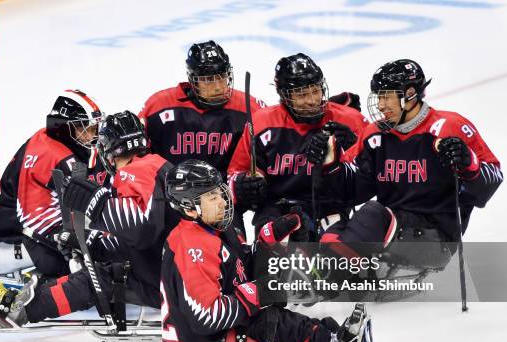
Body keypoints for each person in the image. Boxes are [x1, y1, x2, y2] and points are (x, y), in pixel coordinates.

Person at [159, 159, 368, 342]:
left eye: (220, 192)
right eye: (212, 198)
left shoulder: (212, 228)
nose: (223, 202)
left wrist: (270, 237)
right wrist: (258, 292)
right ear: (189, 209)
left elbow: (237, 266)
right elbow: (207, 318)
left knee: (274, 304)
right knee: (272, 320)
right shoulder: (191, 247)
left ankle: (328, 333)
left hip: (217, 323)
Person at [0, 111, 178, 327]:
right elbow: (142, 233)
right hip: (169, 271)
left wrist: (96, 203)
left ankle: (22, 308)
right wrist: (91, 242)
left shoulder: (135, 171)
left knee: (98, 279)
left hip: (164, 282)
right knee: (98, 269)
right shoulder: (157, 164)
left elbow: (142, 230)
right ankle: (26, 300)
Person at [318, 59, 502, 264]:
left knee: (372, 214)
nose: (380, 105)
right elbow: (355, 191)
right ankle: (338, 271)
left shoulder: (450, 126)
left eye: (387, 97)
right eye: (379, 97)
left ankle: (329, 274)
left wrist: (469, 163)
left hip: (436, 238)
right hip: (390, 229)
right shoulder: (375, 134)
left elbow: (491, 181)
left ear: (410, 94)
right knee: (331, 216)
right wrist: (331, 164)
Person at [227, 53, 368, 238]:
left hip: (329, 206)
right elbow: (235, 173)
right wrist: (243, 184)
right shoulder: (261, 123)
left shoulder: (350, 120)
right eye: (302, 94)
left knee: (331, 257)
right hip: (276, 207)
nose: (312, 100)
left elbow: (373, 176)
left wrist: (354, 150)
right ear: (284, 95)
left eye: (316, 90)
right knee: (275, 252)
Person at [138, 40, 265, 234]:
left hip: (221, 199)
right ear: (193, 79)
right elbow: (138, 157)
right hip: (172, 201)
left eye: (221, 77)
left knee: (234, 258)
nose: (217, 86)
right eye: (208, 80)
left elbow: (268, 154)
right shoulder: (158, 106)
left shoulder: (250, 108)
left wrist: (249, 181)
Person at [0, 89, 105, 278]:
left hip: (12, 232)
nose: (91, 136)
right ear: (64, 127)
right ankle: (22, 292)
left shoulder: (53, 141)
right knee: (70, 264)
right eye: (84, 128)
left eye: (94, 128)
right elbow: (35, 222)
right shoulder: (53, 157)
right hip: (1, 242)